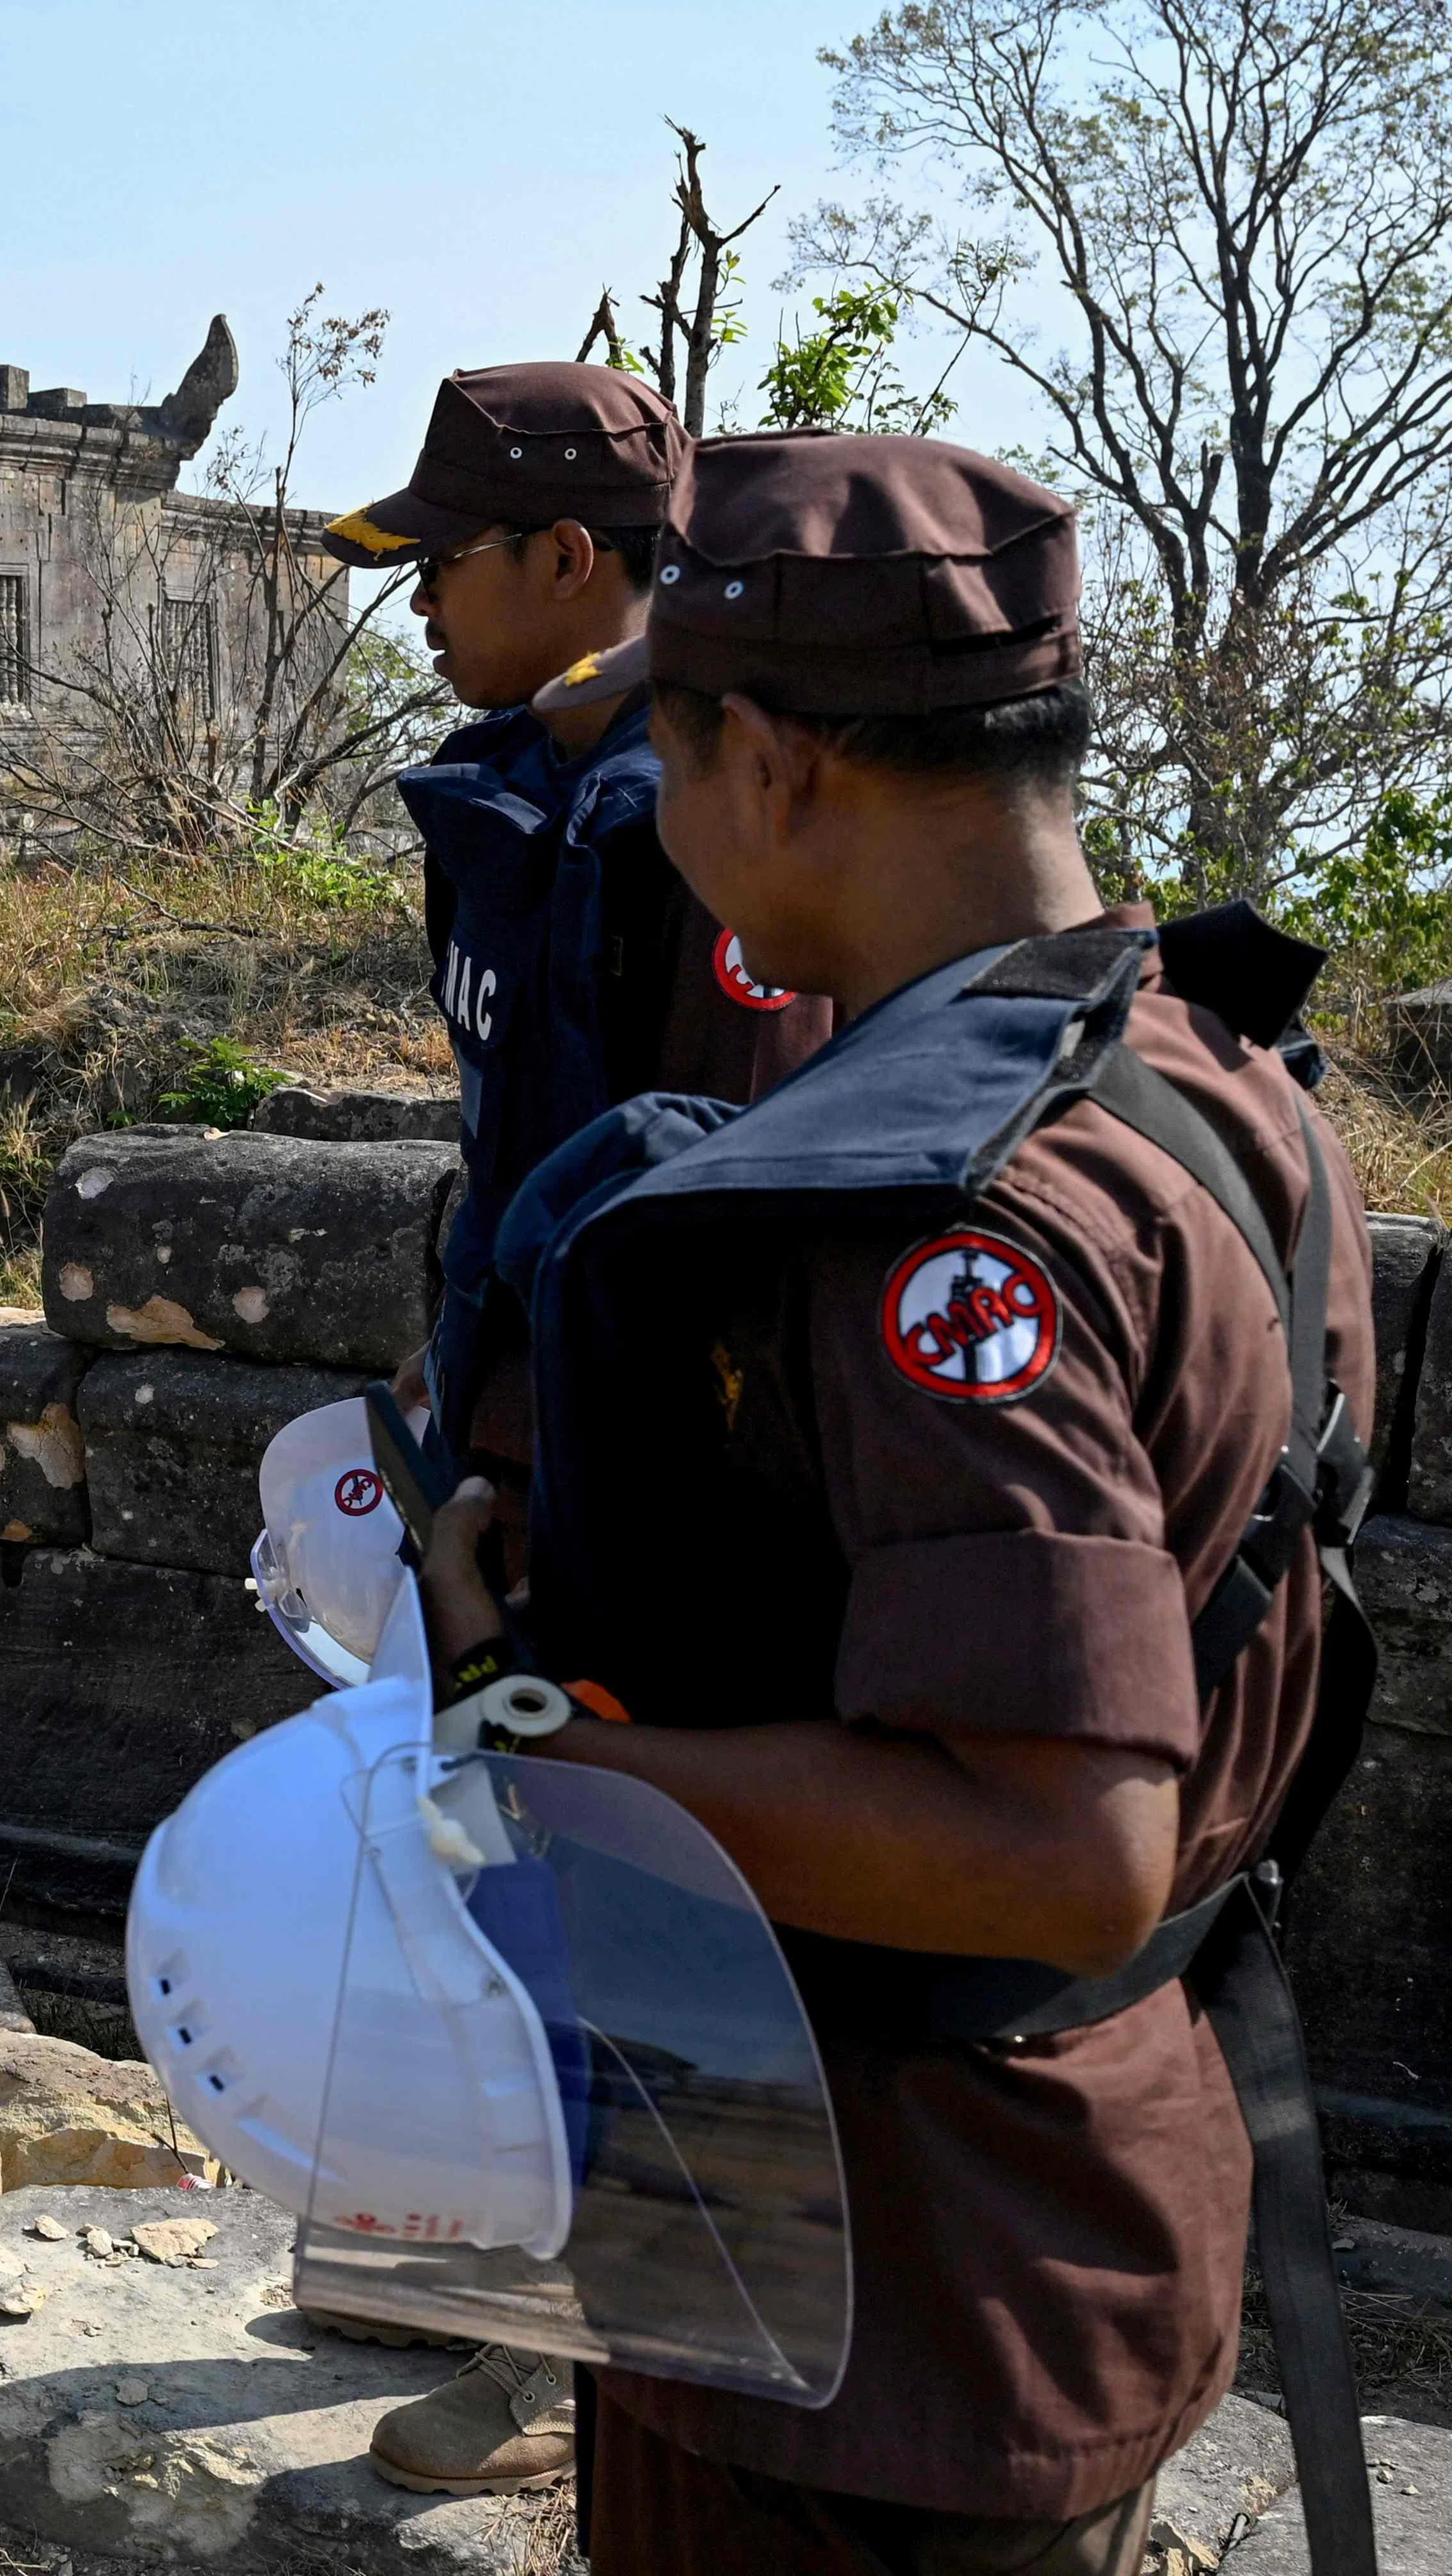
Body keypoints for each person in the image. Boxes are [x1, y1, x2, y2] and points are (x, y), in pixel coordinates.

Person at [415, 431, 1372, 2571]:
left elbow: (1059, 1845)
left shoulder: (944, 1224)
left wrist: (524, 1744)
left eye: (664, 753)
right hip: (1066, 2207)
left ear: (766, 763)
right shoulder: (1208, 1072)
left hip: (872, 2309)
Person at [312, 362, 837, 2492]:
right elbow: (512, 1127)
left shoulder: (691, 820)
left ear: (563, 555)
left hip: (623, 1459)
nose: (419, 603)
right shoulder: (513, 791)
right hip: (499, 1399)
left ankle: (575, 2348)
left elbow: (712, 1182)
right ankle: (470, 2248)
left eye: (441, 561)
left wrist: (555, 1468)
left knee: (598, 1882)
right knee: (471, 1855)